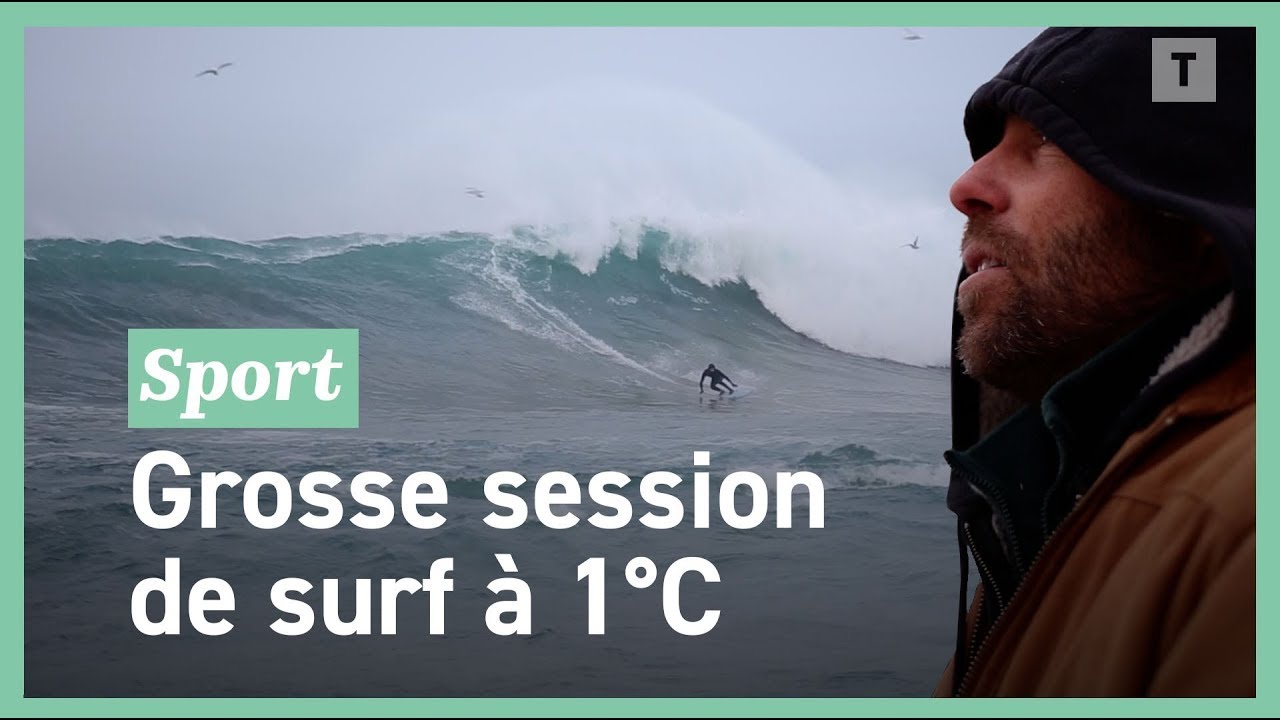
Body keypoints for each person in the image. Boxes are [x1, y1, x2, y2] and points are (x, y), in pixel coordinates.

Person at [936, 27, 1254, 697]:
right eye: (992, 146)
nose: (966, 186)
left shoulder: (1236, 521)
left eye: (1046, 143)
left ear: (1198, 209)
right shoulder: (1049, 496)